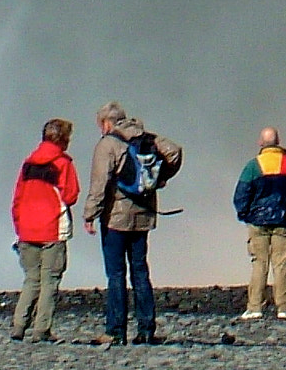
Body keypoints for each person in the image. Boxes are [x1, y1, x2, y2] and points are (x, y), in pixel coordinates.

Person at [85, 103, 183, 345]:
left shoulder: (107, 144)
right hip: (144, 215)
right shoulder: (148, 138)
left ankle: (116, 331)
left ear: (107, 123)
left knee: (116, 274)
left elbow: (99, 184)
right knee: (140, 270)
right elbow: (175, 152)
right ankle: (146, 330)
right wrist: (160, 179)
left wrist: (90, 214)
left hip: (116, 218)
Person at [10, 118, 80, 342]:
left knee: (31, 278)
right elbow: (71, 195)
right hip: (52, 228)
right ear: (63, 140)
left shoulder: (28, 164)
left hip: (27, 230)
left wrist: (20, 226)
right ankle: (42, 329)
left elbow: (17, 199)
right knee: (50, 279)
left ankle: (19, 326)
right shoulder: (63, 163)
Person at [233, 126, 286, 321]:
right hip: (284, 222)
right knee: (281, 264)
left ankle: (255, 307)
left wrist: (245, 214)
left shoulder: (253, 166)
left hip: (258, 222)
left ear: (261, 143)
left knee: (259, 263)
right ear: (278, 141)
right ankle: (283, 308)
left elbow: (241, 195)